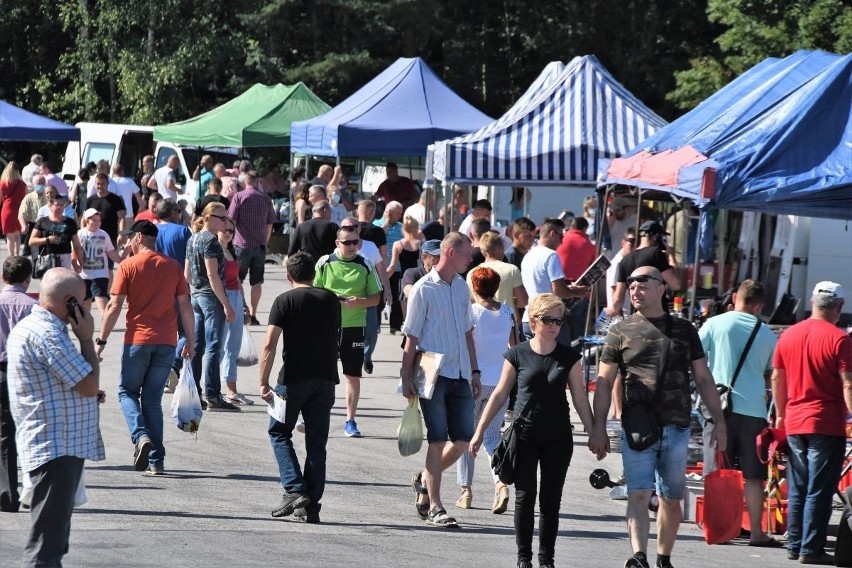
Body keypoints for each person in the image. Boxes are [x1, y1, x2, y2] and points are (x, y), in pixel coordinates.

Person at [589, 266, 727, 568]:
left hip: (676, 428)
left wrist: (719, 421)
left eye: (643, 284)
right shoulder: (620, 330)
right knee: (638, 493)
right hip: (637, 428)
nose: (636, 290)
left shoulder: (684, 330)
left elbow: (704, 379)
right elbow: (603, 382)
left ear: (661, 288)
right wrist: (598, 427)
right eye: (632, 286)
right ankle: (639, 557)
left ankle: (664, 558)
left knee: (670, 498)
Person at [471, 293, 600, 568]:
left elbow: (579, 398)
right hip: (524, 435)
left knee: (551, 500)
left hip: (558, 437)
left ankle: (546, 560)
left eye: (559, 320)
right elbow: (499, 394)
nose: (554, 325)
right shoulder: (517, 354)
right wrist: (480, 430)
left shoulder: (569, 357)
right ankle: (523, 558)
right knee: (524, 496)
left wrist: (594, 433)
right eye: (548, 319)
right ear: (533, 320)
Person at [7, 268, 104, 567]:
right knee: (46, 547)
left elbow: (69, 383)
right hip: (56, 447)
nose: (88, 307)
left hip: (56, 443)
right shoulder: (49, 334)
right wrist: (87, 339)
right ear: (71, 301)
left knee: (53, 541)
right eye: (84, 300)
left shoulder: (38, 328)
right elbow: (89, 385)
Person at [96, 220, 194, 475]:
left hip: (138, 341)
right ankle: (156, 461)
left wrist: (101, 341)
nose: (128, 242)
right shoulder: (173, 266)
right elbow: (185, 306)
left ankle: (140, 437)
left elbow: (114, 306)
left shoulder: (128, 265)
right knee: (151, 400)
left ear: (139, 237)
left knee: (127, 392)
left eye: (130, 238)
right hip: (167, 342)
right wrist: (191, 341)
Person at [401, 232, 481, 529]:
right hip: (431, 371)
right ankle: (436, 506)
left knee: (462, 441)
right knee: (437, 439)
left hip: (460, 372)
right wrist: (406, 377)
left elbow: (467, 332)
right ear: (449, 253)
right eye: (466, 254)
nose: (470, 259)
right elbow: (411, 336)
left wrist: (474, 371)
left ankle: (424, 478)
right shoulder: (423, 289)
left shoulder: (461, 287)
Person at [772, 281, 852, 565]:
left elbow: (777, 378)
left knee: (798, 486)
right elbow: (848, 385)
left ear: (812, 302)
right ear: (839, 308)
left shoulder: (789, 335)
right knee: (819, 488)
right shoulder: (840, 339)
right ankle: (810, 548)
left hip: (795, 421)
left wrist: (781, 414)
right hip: (826, 423)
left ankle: (795, 545)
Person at [259, 251, 340, 523]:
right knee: (317, 443)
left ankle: (294, 489)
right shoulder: (330, 299)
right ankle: (311, 505)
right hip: (326, 379)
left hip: (292, 380)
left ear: (288, 276)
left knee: (279, 432)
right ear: (314, 275)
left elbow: (270, 344)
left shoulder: (284, 300)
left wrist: (263, 382)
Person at [698, 279, 779, 547]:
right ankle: (756, 531)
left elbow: (696, 358)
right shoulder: (767, 335)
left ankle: (717, 527)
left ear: (735, 297)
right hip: (754, 411)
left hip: (717, 408)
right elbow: (771, 374)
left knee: (716, 470)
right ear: (759, 306)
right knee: (754, 476)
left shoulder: (715, 323)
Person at [455, 267, 516, 513]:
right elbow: (515, 347)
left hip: (473, 380)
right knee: (491, 437)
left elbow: (464, 344)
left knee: (466, 436)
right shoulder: (508, 312)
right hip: (500, 383)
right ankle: (500, 483)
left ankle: (466, 491)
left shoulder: (471, 312)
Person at [314, 228, 382, 437]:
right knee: (320, 373)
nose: (352, 246)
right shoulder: (325, 262)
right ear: (337, 243)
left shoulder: (365, 264)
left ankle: (350, 421)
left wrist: (361, 302)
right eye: (347, 242)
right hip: (327, 326)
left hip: (355, 327)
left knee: (352, 375)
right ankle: (312, 416)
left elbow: (376, 298)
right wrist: (332, 297)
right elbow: (314, 291)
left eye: (355, 242)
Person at [185, 202, 239, 412]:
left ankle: (196, 392)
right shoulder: (211, 241)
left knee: (198, 347)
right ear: (208, 218)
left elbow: (187, 275)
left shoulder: (192, 239)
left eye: (226, 218)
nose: (225, 223)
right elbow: (212, 274)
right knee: (213, 347)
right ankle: (214, 396)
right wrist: (227, 304)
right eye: (221, 218)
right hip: (211, 296)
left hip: (196, 295)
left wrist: (195, 290)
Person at [0, 256, 36, 512]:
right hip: (24, 372)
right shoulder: (33, 306)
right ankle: (31, 491)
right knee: (27, 431)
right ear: (28, 279)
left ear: (3, 277)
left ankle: (7, 494)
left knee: (4, 433)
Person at [337, 218, 392, 376]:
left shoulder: (370, 246)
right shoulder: (338, 249)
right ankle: (346, 354)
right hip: (345, 297)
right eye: (347, 226)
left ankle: (366, 356)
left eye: (354, 226)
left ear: (359, 229)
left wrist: (387, 290)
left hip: (368, 295)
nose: (351, 228)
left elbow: (381, 268)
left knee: (371, 331)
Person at [519, 218, 586, 345]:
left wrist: (569, 289)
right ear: (552, 234)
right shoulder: (551, 255)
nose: (561, 242)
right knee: (562, 362)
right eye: (561, 237)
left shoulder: (528, 256)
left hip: (529, 319)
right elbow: (559, 291)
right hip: (549, 320)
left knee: (535, 363)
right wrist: (576, 292)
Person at [228, 170, 275, 326]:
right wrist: (265, 241)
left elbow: (231, 221)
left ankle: (243, 311)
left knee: (237, 279)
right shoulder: (266, 199)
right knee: (257, 282)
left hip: (241, 244)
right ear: (258, 182)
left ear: (245, 181)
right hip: (260, 245)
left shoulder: (239, 197)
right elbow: (270, 224)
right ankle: (253, 315)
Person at [608, 221, 681, 318]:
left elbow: (617, 300)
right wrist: (671, 257)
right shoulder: (656, 254)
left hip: (635, 318)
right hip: (657, 318)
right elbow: (676, 285)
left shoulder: (624, 260)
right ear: (656, 236)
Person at [216, 217, 251, 405]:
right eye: (225, 229)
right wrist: (225, 303)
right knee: (219, 346)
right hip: (223, 297)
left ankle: (231, 390)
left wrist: (245, 305)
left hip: (236, 296)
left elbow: (237, 280)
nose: (228, 233)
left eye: (231, 230)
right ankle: (213, 389)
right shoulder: (215, 250)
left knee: (233, 346)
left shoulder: (230, 250)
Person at [468, 231, 528, 331]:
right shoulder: (512, 270)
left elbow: (472, 303)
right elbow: (523, 301)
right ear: (500, 247)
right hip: (507, 325)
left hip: (481, 326)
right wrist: (513, 300)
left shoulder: (472, 273)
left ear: (483, 250)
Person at [556, 216, 597, 340]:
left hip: (561, 286)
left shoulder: (561, 240)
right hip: (580, 289)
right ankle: (578, 352)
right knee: (578, 322)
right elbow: (593, 263)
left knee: (558, 322)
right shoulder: (588, 244)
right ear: (585, 228)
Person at [77, 208, 123, 314]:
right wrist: (75, 264)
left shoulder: (103, 234)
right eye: (94, 220)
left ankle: (106, 324)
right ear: (87, 221)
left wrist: (122, 261)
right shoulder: (80, 234)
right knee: (85, 302)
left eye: (99, 220)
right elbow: (74, 251)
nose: (97, 223)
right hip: (84, 275)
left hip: (100, 274)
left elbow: (111, 252)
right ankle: (87, 326)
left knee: (101, 299)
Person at [30, 194, 83, 271]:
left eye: (62, 205)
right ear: (50, 206)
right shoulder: (42, 221)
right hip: (47, 257)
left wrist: (80, 262)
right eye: (57, 205)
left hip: (65, 257)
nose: (60, 207)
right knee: (49, 282)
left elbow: (76, 245)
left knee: (63, 281)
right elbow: (31, 241)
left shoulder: (70, 222)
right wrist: (47, 239)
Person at [376, 201, 404, 333]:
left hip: (396, 267)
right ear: (388, 212)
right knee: (379, 296)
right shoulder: (377, 224)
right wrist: (386, 222)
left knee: (396, 297)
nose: (400, 216)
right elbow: (378, 236)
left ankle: (395, 325)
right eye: (397, 213)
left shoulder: (401, 227)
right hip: (380, 267)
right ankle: (375, 324)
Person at [86, 173, 127, 250]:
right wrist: (84, 233)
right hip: (92, 237)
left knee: (109, 261)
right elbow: (84, 218)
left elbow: (122, 218)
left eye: (102, 184)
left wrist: (121, 234)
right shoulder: (90, 200)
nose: (100, 186)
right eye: (98, 184)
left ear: (108, 184)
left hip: (110, 237)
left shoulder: (115, 199)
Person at [386, 215, 423, 296]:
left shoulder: (398, 244)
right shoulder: (421, 244)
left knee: (405, 307)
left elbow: (392, 267)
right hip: (419, 280)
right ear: (416, 229)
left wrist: (382, 279)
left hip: (405, 280)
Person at [0, 161, 27, 257]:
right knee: (17, 235)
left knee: (10, 236)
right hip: (19, 210)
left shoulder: (2, 183)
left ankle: (11, 256)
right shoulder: (23, 184)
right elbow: (25, 198)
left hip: (7, 210)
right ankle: (17, 254)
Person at [18, 174, 48, 257]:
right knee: (29, 251)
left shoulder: (48, 196)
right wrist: (23, 226)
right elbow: (22, 214)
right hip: (33, 226)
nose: (40, 185)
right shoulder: (28, 198)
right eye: (38, 183)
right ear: (33, 184)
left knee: (44, 252)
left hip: (46, 225)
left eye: (43, 183)